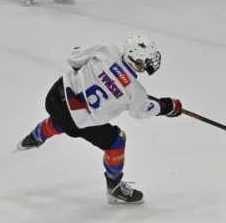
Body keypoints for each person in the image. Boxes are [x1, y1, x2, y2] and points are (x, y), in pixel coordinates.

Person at [14, 35, 182, 204]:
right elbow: (142, 111)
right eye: (148, 59)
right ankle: (114, 188)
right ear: (138, 60)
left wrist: (96, 74)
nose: (151, 62)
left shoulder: (107, 50)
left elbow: (73, 58)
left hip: (54, 98)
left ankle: (35, 136)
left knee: (67, 114)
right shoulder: (136, 92)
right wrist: (167, 106)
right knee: (116, 141)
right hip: (75, 122)